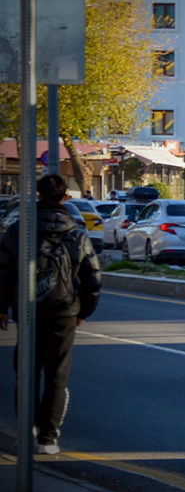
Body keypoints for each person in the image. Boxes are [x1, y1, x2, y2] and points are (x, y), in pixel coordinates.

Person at [0, 174, 101, 455]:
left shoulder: (20, 230)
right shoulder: (77, 233)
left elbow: (4, 272)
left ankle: (25, 432)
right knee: (57, 376)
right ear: (65, 198)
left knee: (26, 374)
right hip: (64, 312)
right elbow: (93, 278)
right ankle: (48, 439)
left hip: (29, 310)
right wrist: (84, 311)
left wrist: (2, 308)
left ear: (39, 196)